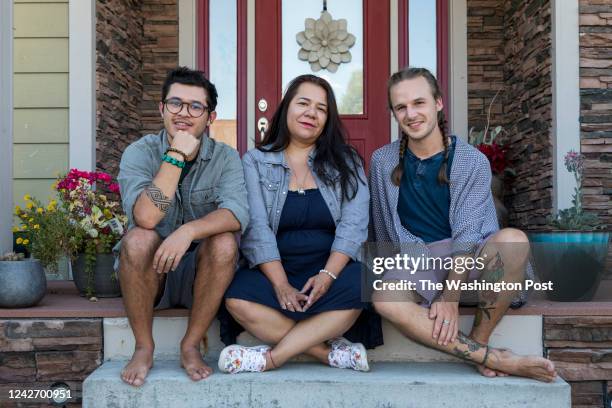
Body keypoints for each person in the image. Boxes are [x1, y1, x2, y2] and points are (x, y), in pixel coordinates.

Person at [369, 67, 557, 382]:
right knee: (384, 298)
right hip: (418, 263)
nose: (411, 113)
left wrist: (450, 297)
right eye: (401, 107)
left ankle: (480, 341)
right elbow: (381, 227)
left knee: (513, 241)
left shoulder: (471, 160)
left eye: (419, 103)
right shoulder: (382, 161)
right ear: (393, 113)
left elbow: (468, 235)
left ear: (439, 103)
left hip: (470, 263)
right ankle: (494, 359)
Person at [217, 74, 382, 374]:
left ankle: (271, 359)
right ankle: (325, 353)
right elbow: (255, 227)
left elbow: (354, 224)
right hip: (274, 268)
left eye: (321, 108)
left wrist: (328, 276)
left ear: (327, 119)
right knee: (237, 298)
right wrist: (280, 284)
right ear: (286, 109)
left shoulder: (347, 162)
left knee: (361, 284)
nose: (311, 113)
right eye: (303, 103)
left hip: (330, 267)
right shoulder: (255, 161)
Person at [115, 67, 249, 386]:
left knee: (225, 241)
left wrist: (187, 231)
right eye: (175, 103)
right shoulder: (140, 153)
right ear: (162, 108)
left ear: (210, 117)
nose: (184, 113)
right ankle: (144, 346)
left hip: (200, 276)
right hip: (151, 273)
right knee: (137, 239)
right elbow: (146, 218)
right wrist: (175, 155)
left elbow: (236, 213)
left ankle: (190, 344)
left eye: (195, 107)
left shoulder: (225, 157)